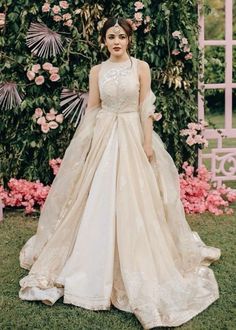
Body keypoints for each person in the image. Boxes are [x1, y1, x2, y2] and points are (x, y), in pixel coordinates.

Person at [19, 17, 221, 329]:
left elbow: (145, 105)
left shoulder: (140, 67)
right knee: (96, 198)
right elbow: (93, 110)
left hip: (132, 133)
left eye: (122, 37)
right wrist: (86, 146)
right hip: (104, 136)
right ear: (104, 41)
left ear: (129, 40)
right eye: (111, 36)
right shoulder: (96, 71)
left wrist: (146, 142)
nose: (116, 41)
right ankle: (90, 267)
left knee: (137, 199)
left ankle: (138, 262)